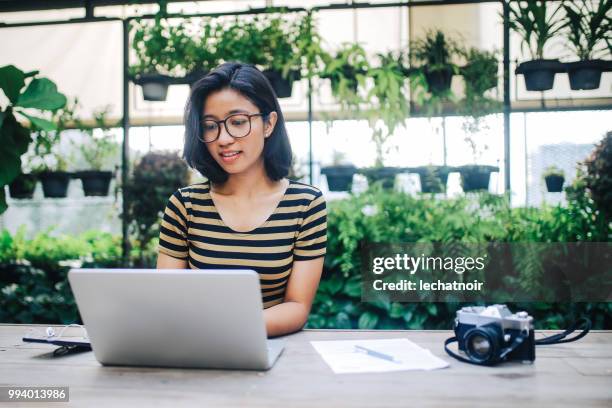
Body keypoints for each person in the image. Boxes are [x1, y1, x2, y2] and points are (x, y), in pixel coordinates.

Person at [156, 62, 327, 337]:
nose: (223, 138)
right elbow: (166, 299)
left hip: (267, 351)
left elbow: (296, 306)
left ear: (269, 123)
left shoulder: (305, 204)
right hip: (196, 351)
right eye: (211, 126)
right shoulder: (184, 206)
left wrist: (227, 329)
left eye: (237, 122)